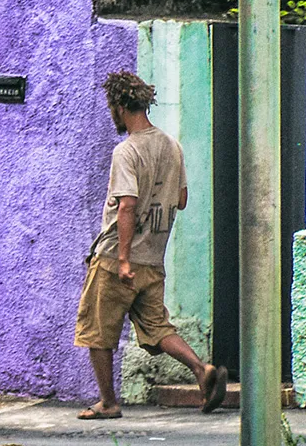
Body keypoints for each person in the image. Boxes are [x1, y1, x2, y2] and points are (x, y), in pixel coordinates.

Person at [74, 70, 227, 419]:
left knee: (96, 330)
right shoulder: (172, 146)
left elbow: (126, 205)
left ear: (119, 106)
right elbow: (181, 199)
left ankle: (108, 403)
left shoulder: (126, 151)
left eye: (112, 108)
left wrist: (123, 259)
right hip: (154, 257)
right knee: (157, 326)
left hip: (116, 258)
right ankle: (201, 369)